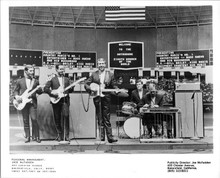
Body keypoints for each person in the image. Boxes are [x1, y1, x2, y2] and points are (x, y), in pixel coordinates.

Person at [84, 58, 118, 143]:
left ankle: (110, 138)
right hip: (97, 97)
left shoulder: (110, 74)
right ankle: (101, 138)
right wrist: (91, 89)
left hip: (106, 97)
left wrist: (116, 89)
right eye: (99, 63)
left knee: (107, 117)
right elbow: (86, 84)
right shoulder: (93, 74)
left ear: (105, 64)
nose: (101, 65)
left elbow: (114, 85)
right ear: (97, 65)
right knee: (99, 117)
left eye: (102, 63)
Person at [13, 65, 42, 143]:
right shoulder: (20, 81)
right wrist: (17, 96)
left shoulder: (35, 81)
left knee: (34, 119)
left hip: (32, 103)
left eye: (33, 71)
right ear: (26, 71)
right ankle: (28, 137)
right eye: (30, 71)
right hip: (23, 103)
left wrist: (40, 89)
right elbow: (15, 91)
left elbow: (39, 92)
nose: (32, 72)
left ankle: (37, 137)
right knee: (25, 121)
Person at [44, 64, 73, 142]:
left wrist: (72, 87)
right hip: (56, 100)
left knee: (66, 117)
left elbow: (70, 91)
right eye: (60, 69)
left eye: (63, 69)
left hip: (65, 100)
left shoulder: (67, 79)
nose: (62, 71)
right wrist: (52, 93)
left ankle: (66, 136)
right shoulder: (52, 79)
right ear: (56, 70)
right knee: (57, 118)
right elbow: (45, 88)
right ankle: (60, 135)